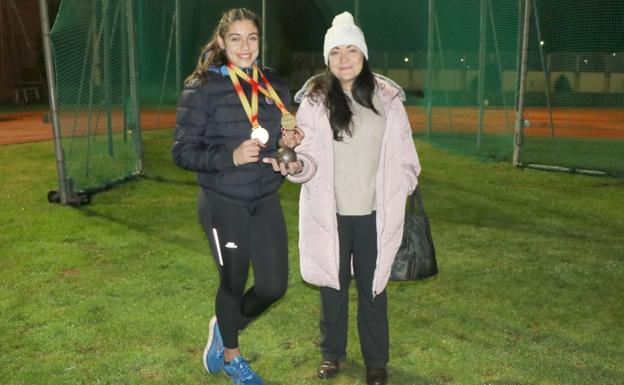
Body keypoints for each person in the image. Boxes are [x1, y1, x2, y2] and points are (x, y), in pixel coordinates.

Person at [266, 11, 421, 385]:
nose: (344, 58)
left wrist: (398, 188)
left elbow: (407, 160)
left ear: (364, 54)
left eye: (351, 49)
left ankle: (376, 363)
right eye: (335, 52)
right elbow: (308, 161)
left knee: (373, 290)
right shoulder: (315, 102)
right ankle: (331, 355)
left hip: (374, 214)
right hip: (330, 213)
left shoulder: (387, 100)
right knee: (331, 288)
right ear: (327, 59)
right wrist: (295, 164)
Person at [172, 8, 302, 385]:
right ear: (221, 42)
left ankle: (224, 326)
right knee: (232, 282)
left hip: (264, 196)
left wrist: (287, 145)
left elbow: (276, 134)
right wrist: (229, 157)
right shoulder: (202, 87)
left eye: (252, 38)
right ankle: (231, 356)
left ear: (260, 41)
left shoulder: (273, 83)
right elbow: (182, 152)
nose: (245, 47)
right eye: (236, 39)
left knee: (273, 286)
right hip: (222, 200)